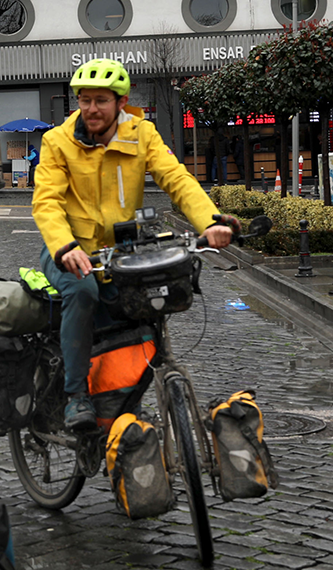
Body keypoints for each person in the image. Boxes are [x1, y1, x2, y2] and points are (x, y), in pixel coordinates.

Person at [32, 59, 231, 432]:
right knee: (84, 291)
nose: (91, 109)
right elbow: (46, 202)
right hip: (69, 249)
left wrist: (211, 222)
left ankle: (123, 395)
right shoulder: (57, 141)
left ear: (121, 102)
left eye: (101, 101)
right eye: (85, 100)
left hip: (124, 250)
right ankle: (76, 397)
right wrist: (64, 247)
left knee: (147, 301)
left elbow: (177, 179)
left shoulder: (143, 134)